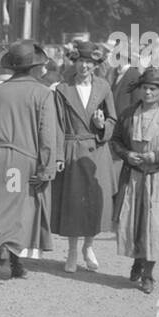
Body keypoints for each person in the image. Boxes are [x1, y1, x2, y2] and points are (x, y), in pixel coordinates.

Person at [0, 41, 60, 279]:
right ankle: (10, 253)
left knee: (0, 207)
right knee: (21, 209)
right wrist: (47, 168)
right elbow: (47, 135)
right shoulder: (42, 93)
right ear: (34, 67)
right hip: (24, 158)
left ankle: (8, 256)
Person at [109, 69, 159, 294]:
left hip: (158, 178)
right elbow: (115, 141)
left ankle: (148, 273)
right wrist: (126, 154)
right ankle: (138, 260)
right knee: (134, 221)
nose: (149, 92)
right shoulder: (128, 114)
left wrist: (157, 156)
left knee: (155, 225)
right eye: (145, 88)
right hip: (133, 177)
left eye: (154, 89)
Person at [52, 41, 118, 274]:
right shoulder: (62, 89)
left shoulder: (104, 87)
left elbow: (113, 119)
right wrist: (58, 155)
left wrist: (101, 126)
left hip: (96, 150)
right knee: (73, 202)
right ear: (74, 62)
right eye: (81, 61)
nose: (84, 66)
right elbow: (58, 125)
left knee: (93, 202)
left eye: (89, 62)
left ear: (96, 65)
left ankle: (88, 247)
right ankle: (71, 251)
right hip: (72, 148)